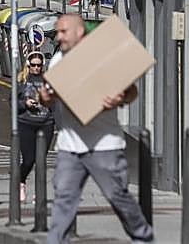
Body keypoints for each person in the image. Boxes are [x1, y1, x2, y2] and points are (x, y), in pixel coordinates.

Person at [39, 14, 154, 243]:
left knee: (117, 196)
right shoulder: (57, 61)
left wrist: (120, 98)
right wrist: (45, 98)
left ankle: (143, 237)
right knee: (63, 199)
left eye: (63, 32)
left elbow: (131, 91)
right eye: (57, 32)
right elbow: (49, 97)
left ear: (79, 32)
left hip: (104, 144)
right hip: (70, 145)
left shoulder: (101, 56)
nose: (58, 37)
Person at [17, 51, 55, 203]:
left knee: (41, 160)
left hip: (46, 123)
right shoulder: (22, 81)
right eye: (33, 65)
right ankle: (21, 183)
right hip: (26, 124)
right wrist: (25, 104)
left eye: (39, 65)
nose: (36, 68)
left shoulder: (49, 80)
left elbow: (55, 101)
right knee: (28, 159)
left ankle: (39, 191)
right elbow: (13, 103)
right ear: (28, 65)